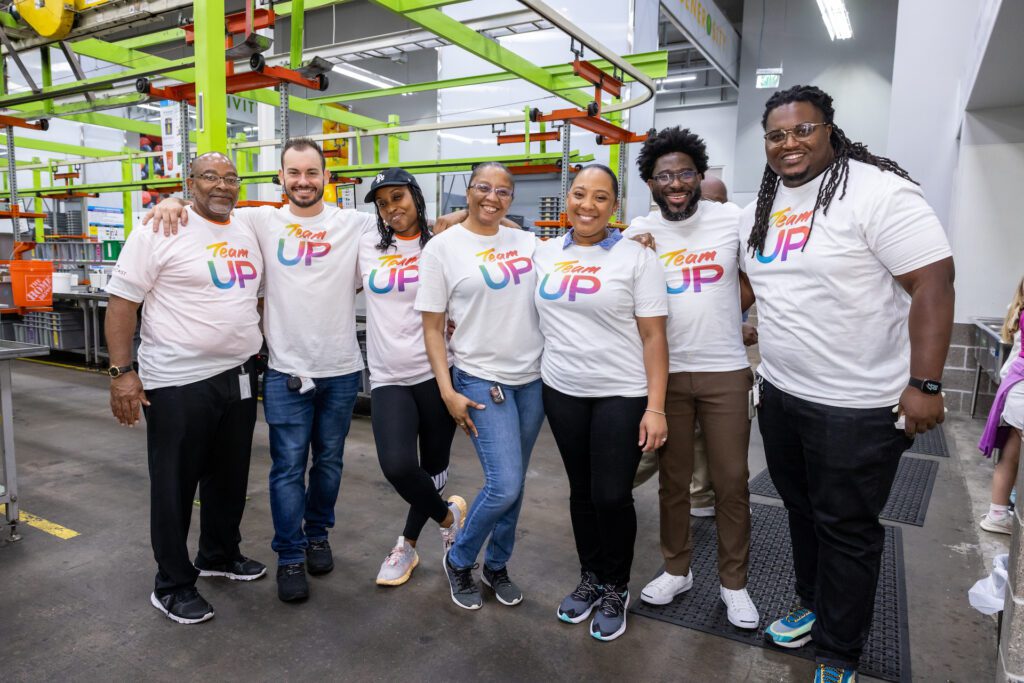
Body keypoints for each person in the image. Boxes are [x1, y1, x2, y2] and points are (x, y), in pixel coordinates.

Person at [742, 85, 954, 682]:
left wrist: (927, 385)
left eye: (803, 130)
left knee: (848, 530)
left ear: (829, 129)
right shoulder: (769, 200)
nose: (789, 144)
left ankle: (840, 651)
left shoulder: (879, 192)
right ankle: (813, 607)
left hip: (857, 406)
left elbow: (935, 284)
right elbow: (767, 284)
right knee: (802, 513)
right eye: (777, 135)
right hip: (782, 394)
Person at [146, 139, 373, 603]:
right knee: (288, 468)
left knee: (329, 463)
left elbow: (412, 226)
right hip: (285, 370)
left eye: (312, 173)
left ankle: (317, 537)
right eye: (294, 172)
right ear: (280, 177)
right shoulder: (257, 220)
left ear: (327, 178)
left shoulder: (357, 224)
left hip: (342, 369)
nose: (303, 181)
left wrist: (465, 220)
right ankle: (289, 554)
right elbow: (205, 205)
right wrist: (171, 199)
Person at [106, 152, 266, 625]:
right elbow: (121, 303)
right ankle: (172, 584)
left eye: (230, 177)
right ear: (189, 182)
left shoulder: (247, 228)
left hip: (237, 373)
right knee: (175, 484)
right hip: (177, 380)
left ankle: (219, 554)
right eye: (210, 177)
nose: (222, 185)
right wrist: (121, 374)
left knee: (229, 476)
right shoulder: (158, 228)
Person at [622, 127, 760, 630]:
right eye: (664, 176)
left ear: (700, 176)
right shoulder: (639, 230)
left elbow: (757, 275)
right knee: (673, 482)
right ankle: (676, 570)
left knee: (730, 482)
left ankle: (734, 584)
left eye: (684, 173)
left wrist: (733, 314)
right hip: (666, 377)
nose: (675, 183)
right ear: (651, 183)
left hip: (725, 372)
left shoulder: (731, 220)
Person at [535, 165, 668, 641]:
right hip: (562, 389)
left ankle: (616, 585)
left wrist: (656, 406)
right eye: (578, 194)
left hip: (622, 392)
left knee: (612, 495)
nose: (586, 205)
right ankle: (590, 577)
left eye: (600, 197)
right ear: (566, 197)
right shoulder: (543, 251)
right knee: (581, 492)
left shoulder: (637, 257)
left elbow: (654, 337)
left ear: (616, 205)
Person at [416, 162, 545, 611]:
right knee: (504, 483)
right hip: (478, 378)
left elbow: (577, 253)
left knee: (517, 483)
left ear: (512, 198)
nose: (492, 197)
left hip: (532, 379)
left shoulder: (528, 242)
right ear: (467, 191)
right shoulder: (442, 249)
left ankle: (497, 565)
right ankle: (461, 557)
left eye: (503, 191)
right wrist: (447, 390)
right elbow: (432, 328)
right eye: (483, 188)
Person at [359, 168, 467, 585]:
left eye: (398, 197)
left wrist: (459, 215)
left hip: (438, 372)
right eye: (383, 203)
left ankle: (407, 544)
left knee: (434, 468)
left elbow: (498, 224)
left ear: (416, 197)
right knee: (400, 466)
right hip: (389, 376)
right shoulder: (367, 245)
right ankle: (448, 517)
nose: (391, 208)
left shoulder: (443, 244)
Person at [978, 276, 1024, 535]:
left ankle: (997, 514)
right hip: (1021, 393)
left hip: (1015, 391)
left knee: (1010, 456)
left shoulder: (1018, 310)